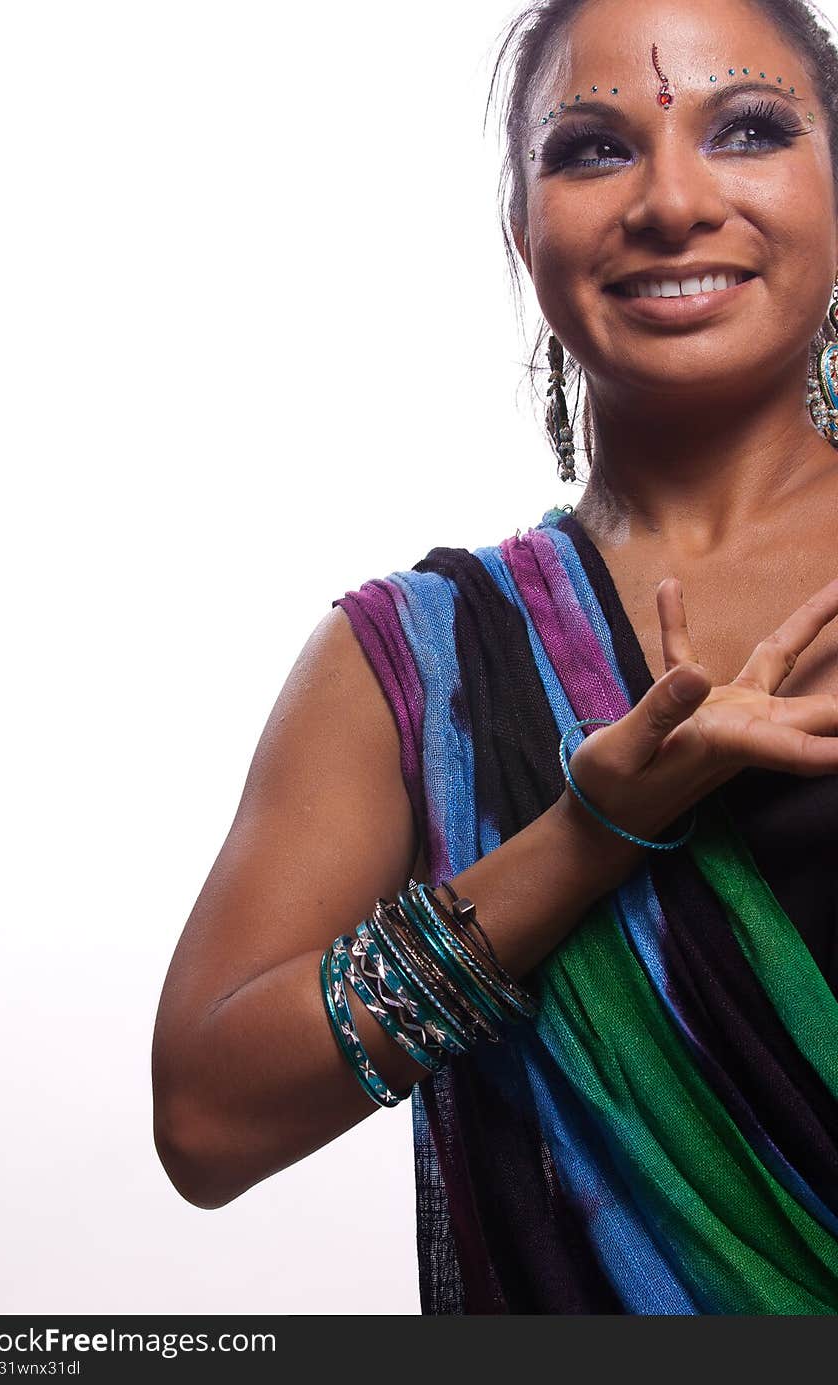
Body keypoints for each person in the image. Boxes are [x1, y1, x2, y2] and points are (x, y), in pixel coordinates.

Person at [152, 0, 838, 1314]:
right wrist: (587, 834)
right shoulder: (412, 663)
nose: (673, 201)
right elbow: (206, 1118)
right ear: (521, 229)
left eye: (747, 129)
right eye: (592, 150)